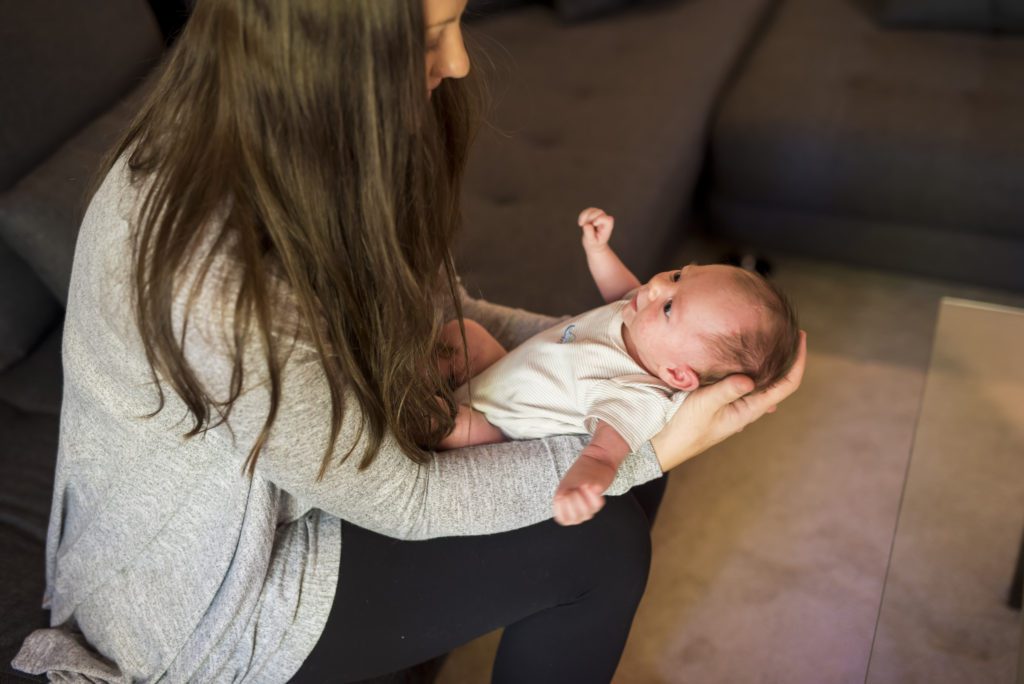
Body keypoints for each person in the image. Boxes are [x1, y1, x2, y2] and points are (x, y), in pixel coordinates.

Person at [12, 1, 806, 682]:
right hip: (210, 581)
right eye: (431, 36)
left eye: (458, 22)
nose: (458, 62)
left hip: (334, 460)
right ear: (319, 54)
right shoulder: (212, 286)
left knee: (634, 462)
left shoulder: (338, 148)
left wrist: (633, 378)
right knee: (601, 544)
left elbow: (444, 310)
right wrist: (647, 449)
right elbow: (405, 499)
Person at [438, 208, 800, 525]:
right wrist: (598, 249)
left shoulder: (638, 397)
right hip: (498, 374)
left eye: (670, 307)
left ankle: (405, 411)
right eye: (678, 275)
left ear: (676, 375)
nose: (657, 285)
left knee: (448, 424)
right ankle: (416, 380)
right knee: (463, 333)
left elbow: (603, 454)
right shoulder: (641, 316)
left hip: (499, 424)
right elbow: (621, 291)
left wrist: (582, 486)